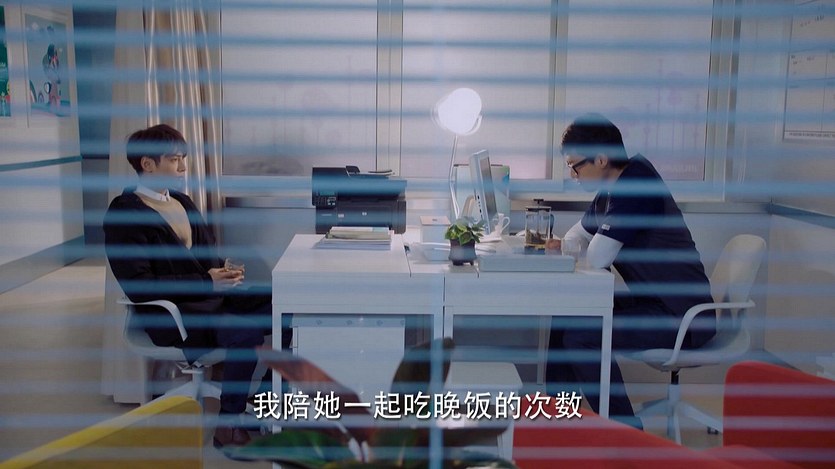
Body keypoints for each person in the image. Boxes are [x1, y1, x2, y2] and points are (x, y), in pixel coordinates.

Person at [103, 124, 288, 448]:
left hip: (211, 300)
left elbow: (205, 259)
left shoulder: (183, 202)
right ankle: (227, 426)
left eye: (183, 159)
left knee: (287, 307)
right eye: (174, 160)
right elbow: (140, 286)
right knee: (245, 333)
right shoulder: (125, 214)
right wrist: (206, 282)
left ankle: (262, 399)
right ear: (147, 164)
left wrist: (223, 273)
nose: (183, 168)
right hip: (175, 315)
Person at [545, 113, 715, 429]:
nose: (572, 175)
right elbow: (577, 235)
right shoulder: (612, 188)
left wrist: (574, 249)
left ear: (600, 159)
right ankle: (557, 418)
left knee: (582, 337)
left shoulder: (638, 185)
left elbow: (597, 256)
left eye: (575, 166)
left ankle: (624, 431)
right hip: (653, 306)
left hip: (682, 317)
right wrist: (569, 246)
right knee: (568, 310)